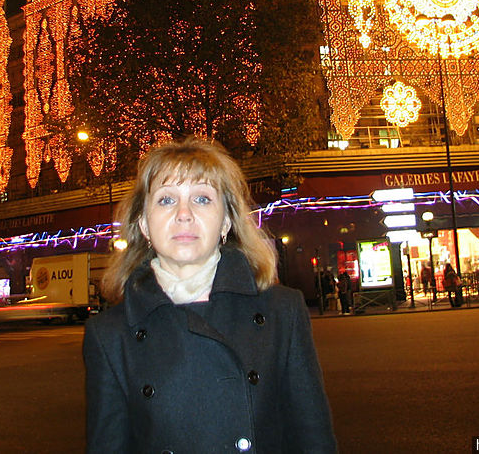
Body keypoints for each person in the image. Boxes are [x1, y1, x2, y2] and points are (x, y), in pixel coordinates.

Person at [83, 138, 337, 453]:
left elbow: (313, 439)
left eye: (202, 198)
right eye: (166, 200)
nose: (184, 214)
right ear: (144, 224)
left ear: (226, 221)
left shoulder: (283, 311)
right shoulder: (108, 334)